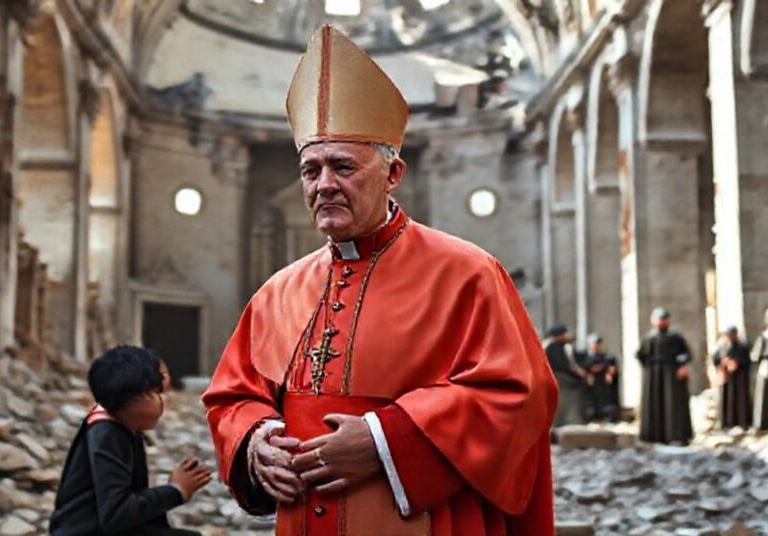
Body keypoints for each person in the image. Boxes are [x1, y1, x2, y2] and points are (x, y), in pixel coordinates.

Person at [202, 25, 557, 535]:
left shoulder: (467, 272)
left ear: (392, 174)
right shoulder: (276, 293)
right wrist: (255, 439)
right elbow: (231, 397)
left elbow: (521, 395)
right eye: (310, 170)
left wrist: (386, 440)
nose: (324, 185)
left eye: (342, 166)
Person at [50, 346, 210, 535]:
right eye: (155, 394)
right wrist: (175, 490)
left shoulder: (122, 425)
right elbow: (116, 514)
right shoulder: (107, 433)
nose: (161, 402)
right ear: (132, 397)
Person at [636, 308, 693, 444]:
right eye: (659, 319)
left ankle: (676, 435)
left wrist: (682, 365)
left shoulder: (676, 338)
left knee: (673, 404)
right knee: (653, 403)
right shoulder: (648, 339)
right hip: (653, 377)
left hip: (672, 376)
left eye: (664, 319)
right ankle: (652, 436)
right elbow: (640, 356)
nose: (662, 322)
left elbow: (687, 354)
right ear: (654, 321)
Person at [543, 324, 586, 426]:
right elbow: (560, 364)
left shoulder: (564, 347)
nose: (567, 336)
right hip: (558, 377)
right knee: (564, 399)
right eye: (565, 334)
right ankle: (567, 421)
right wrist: (576, 371)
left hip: (563, 377)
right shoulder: (551, 347)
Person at [711, 326, 751, 429]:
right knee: (726, 399)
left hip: (740, 377)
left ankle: (742, 423)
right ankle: (726, 423)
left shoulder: (743, 346)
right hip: (726, 376)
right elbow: (715, 358)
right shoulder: (721, 346)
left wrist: (737, 363)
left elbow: (748, 359)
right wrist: (722, 364)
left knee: (740, 399)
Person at [581, 333, 620, 423]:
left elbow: (612, 368)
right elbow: (585, 369)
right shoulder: (585, 357)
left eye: (597, 344)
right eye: (594, 343)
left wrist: (609, 372)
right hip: (592, 386)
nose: (596, 346)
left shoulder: (606, 357)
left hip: (604, 385)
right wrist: (589, 375)